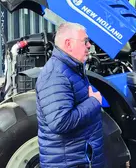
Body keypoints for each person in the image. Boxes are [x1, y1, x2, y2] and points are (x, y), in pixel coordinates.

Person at [36, 22, 104, 168]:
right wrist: (94, 101)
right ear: (68, 44)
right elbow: (60, 122)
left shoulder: (71, 69)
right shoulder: (55, 75)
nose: (89, 46)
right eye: (85, 41)